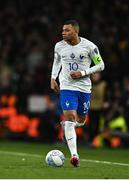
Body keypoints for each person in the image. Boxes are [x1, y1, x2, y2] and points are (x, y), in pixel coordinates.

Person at [50, 20, 105, 167]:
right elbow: (56, 62)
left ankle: (68, 127)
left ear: (76, 32)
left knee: (80, 121)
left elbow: (101, 65)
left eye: (67, 30)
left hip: (84, 88)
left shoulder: (90, 46)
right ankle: (74, 155)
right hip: (67, 86)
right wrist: (53, 78)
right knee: (69, 117)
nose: (63, 33)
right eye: (63, 30)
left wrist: (83, 72)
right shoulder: (59, 46)